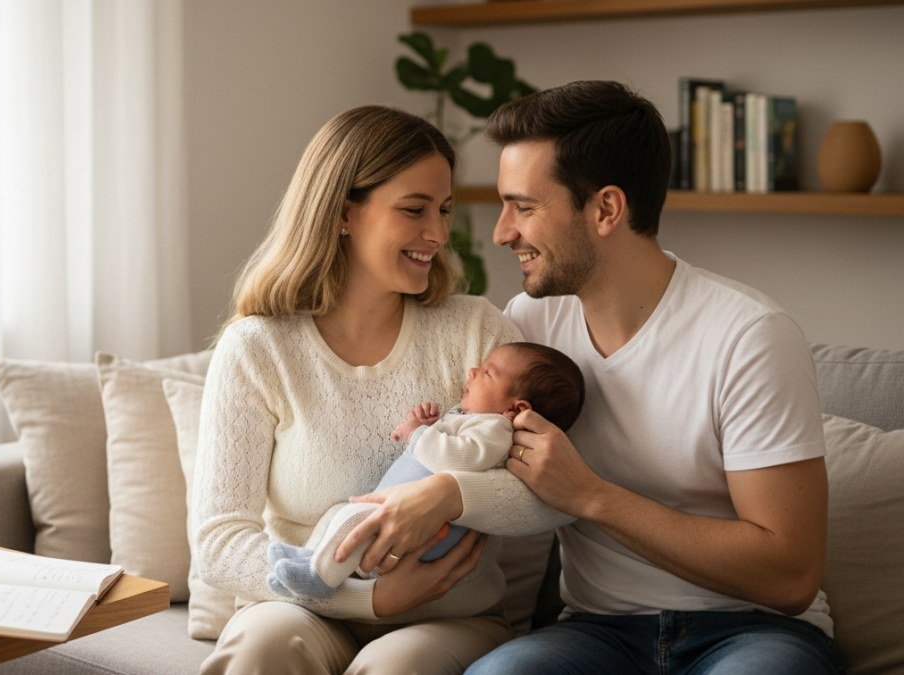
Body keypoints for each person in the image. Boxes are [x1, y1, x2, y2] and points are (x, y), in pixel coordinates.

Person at [333, 81, 840, 674]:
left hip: (755, 631)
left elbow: (789, 578)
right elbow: (488, 483)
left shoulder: (748, 336)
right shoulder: (532, 327)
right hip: (597, 633)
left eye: (524, 207)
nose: (501, 232)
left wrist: (591, 496)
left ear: (605, 210)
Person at [191, 105, 569, 675]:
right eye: (414, 209)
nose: (438, 233)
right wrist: (366, 599)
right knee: (261, 648)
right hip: (300, 609)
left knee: (398, 667)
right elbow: (219, 540)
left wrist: (449, 494)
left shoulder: (478, 332)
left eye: (444, 210)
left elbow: (546, 494)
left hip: (447, 618)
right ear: (344, 212)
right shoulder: (257, 348)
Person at [267, 342, 585, 600]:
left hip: (417, 536)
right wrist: (428, 422)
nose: (473, 370)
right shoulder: (473, 419)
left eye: (487, 373)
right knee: (339, 513)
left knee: (352, 521)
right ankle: (310, 558)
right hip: (394, 512)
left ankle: (320, 579)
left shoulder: (496, 430)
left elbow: (461, 459)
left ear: (517, 408)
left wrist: (418, 433)